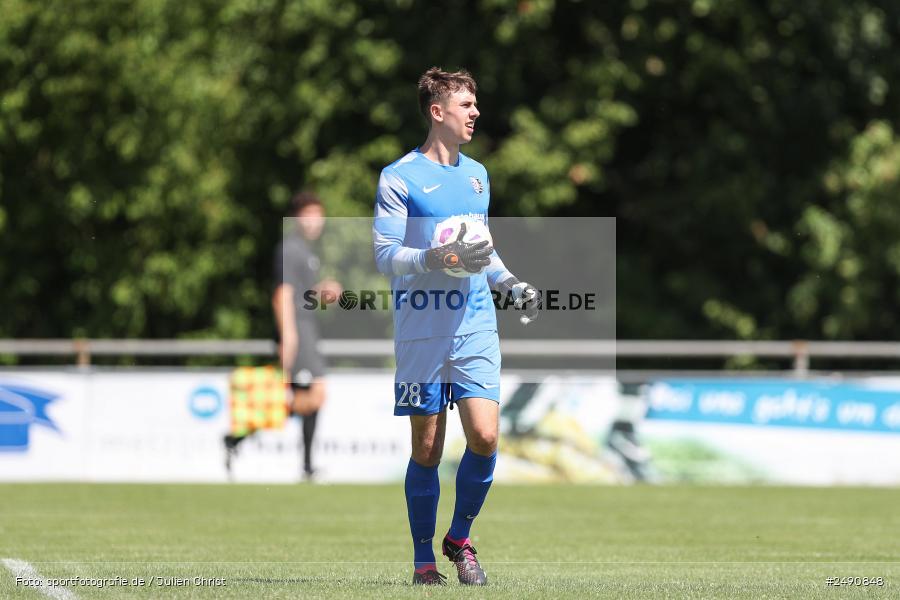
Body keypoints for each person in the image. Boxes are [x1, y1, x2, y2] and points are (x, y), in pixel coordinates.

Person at [373, 67, 541, 586]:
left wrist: (511, 282)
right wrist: (436, 257)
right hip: (421, 328)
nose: (475, 113)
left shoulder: (478, 176)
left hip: (474, 324)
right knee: (426, 448)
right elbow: (385, 255)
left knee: (487, 437)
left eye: (475, 104)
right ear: (437, 111)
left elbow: (481, 251)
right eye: (466, 105)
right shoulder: (398, 177)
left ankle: (459, 538)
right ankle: (424, 559)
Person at [272, 191, 340, 480]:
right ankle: (240, 434)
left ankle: (308, 466)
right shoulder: (291, 248)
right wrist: (289, 335)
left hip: (306, 327)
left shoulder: (307, 251)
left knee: (309, 394)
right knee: (314, 393)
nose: (314, 221)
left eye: (318, 215)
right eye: (308, 215)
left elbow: (302, 296)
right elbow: (282, 294)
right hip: (297, 330)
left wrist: (322, 293)